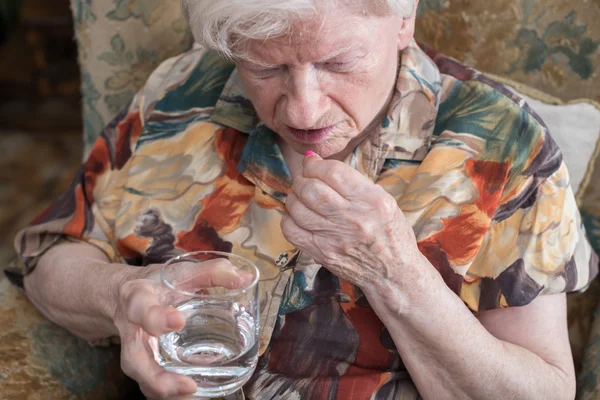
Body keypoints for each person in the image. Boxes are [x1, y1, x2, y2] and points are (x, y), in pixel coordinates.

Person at [7, 0, 598, 398]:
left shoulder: (502, 142)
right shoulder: (179, 92)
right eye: (265, 67)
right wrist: (116, 294)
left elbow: (542, 389)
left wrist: (395, 271)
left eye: (338, 63)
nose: (302, 109)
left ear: (402, 21)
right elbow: (49, 255)